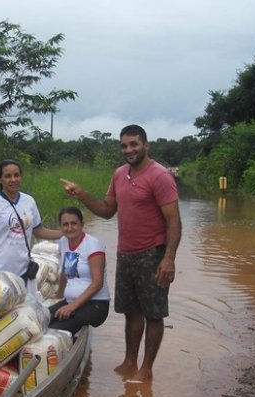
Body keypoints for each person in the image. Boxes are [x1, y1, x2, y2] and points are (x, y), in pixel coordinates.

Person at [60, 124, 181, 382]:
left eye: (134, 144)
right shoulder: (118, 174)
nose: (129, 149)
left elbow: (173, 220)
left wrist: (168, 258)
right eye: (124, 145)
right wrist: (81, 194)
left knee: (154, 313)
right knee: (131, 312)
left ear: (146, 145)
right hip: (126, 253)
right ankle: (129, 361)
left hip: (153, 254)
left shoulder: (160, 176)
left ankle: (146, 368)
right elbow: (106, 211)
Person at [0, 159, 61, 284]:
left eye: (16, 175)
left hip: (23, 271)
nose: (13, 179)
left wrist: (65, 233)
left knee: (25, 303)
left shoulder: (29, 201)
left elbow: (39, 231)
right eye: (8, 176)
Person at [48, 206, 110, 335]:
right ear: (60, 227)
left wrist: (72, 306)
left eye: (74, 223)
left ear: (82, 224)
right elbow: (65, 274)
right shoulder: (63, 242)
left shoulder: (93, 245)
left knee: (55, 330)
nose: (70, 228)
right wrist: (58, 297)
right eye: (65, 224)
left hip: (95, 304)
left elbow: (97, 283)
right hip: (70, 301)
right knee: (41, 320)